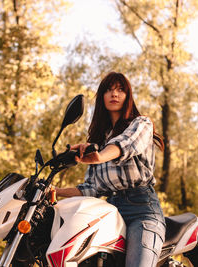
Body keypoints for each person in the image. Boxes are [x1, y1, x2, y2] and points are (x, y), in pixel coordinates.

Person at [55, 72, 166, 267]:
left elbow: (126, 145)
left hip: (142, 210)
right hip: (109, 211)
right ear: (101, 97)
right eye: (109, 90)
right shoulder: (99, 140)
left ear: (128, 96)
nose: (114, 94)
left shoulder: (141, 124)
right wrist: (55, 191)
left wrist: (99, 156)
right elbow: (90, 189)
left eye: (120, 89)